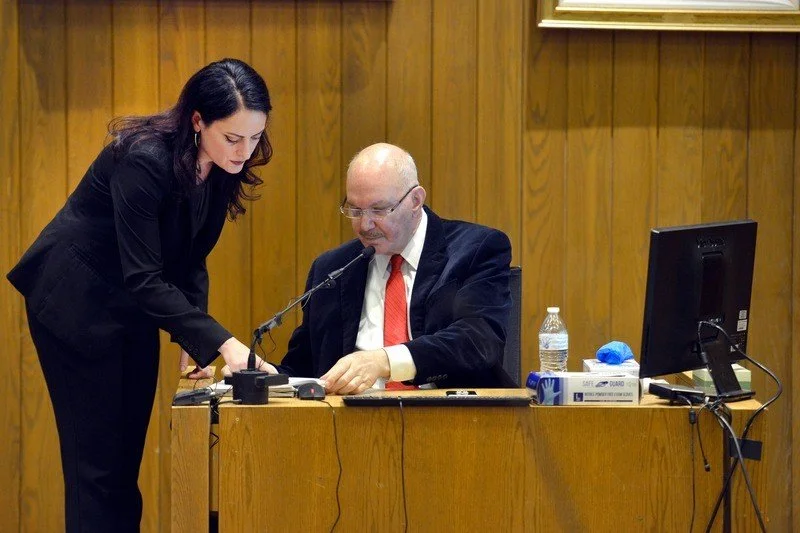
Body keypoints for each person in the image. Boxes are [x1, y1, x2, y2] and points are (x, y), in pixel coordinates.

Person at [7, 58, 275, 532]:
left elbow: (190, 259)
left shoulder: (221, 163)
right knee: (98, 470)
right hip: (77, 302)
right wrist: (225, 345)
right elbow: (146, 277)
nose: (245, 151)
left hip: (130, 305)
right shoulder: (143, 159)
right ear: (197, 121)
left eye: (255, 137)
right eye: (233, 138)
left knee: (123, 462)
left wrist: (193, 344)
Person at [261, 142, 515, 394]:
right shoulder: (333, 269)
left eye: (379, 209)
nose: (365, 225)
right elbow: (305, 370)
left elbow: (478, 340)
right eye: (355, 210)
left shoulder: (475, 249)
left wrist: (384, 361)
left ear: (415, 200)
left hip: (452, 422)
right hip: (350, 424)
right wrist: (269, 378)